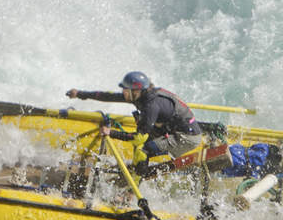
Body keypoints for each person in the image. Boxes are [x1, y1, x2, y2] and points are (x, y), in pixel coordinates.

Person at [66, 71, 203, 166]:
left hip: (186, 138)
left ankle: (130, 192)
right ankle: (137, 169)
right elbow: (108, 96)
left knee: (143, 149)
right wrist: (79, 94)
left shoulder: (151, 106)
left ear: (136, 91)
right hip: (172, 128)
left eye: (125, 90)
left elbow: (138, 137)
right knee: (142, 137)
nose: (123, 93)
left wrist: (111, 133)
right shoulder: (141, 96)